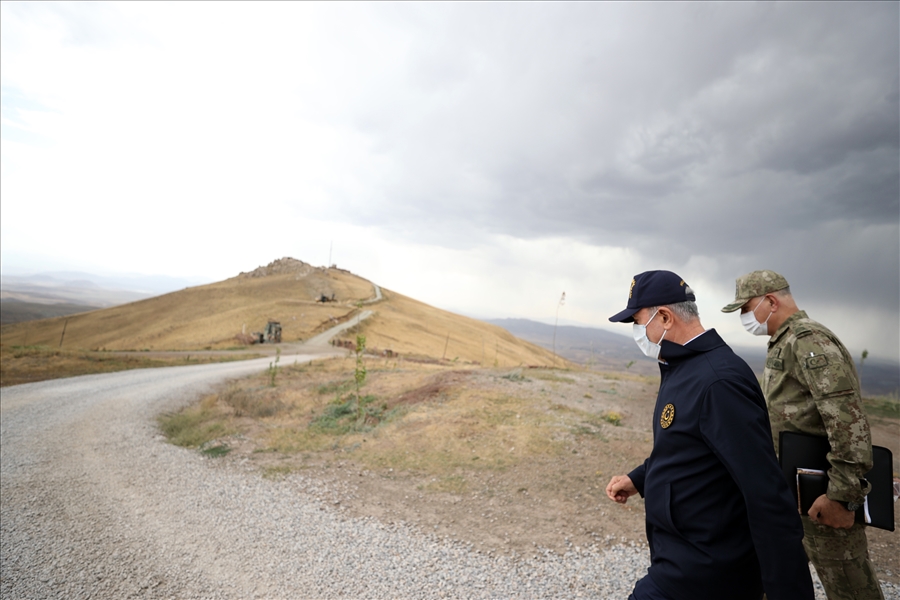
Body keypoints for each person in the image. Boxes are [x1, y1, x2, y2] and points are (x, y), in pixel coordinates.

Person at [605, 270, 813, 600]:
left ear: (664, 317)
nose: (637, 331)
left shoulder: (718, 382)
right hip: (681, 559)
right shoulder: (682, 369)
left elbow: (766, 494)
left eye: (637, 321)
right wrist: (640, 479)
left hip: (705, 572)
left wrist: (789, 593)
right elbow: (689, 449)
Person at [722, 270, 883, 600]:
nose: (744, 317)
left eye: (745, 308)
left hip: (823, 495)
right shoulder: (786, 340)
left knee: (852, 590)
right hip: (794, 493)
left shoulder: (808, 340)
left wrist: (841, 497)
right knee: (775, 582)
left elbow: (847, 421)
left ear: (770, 301)